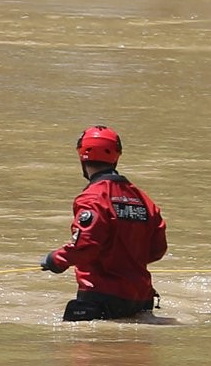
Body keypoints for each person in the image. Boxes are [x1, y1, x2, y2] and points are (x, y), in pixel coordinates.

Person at [40, 125, 167, 321]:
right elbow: (157, 249)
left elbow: (86, 245)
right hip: (140, 298)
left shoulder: (92, 198)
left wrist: (56, 260)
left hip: (101, 298)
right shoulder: (143, 199)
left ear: (82, 155)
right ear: (116, 155)